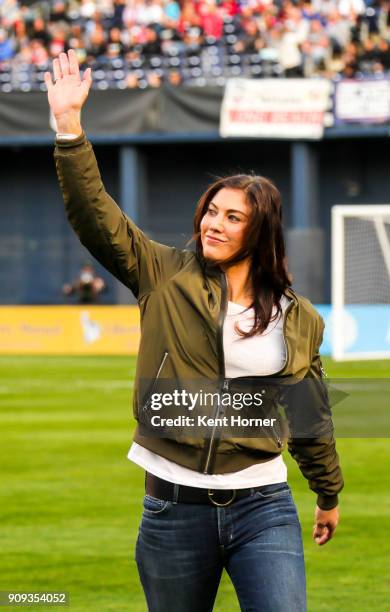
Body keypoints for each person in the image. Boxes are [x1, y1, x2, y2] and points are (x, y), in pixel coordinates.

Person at [45, 50, 343, 612]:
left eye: (233, 217)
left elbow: (310, 415)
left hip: (265, 504)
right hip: (172, 509)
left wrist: (327, 492)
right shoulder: (161, 272)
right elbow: (96, 217)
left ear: (261, 233)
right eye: (212, 210)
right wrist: (69, 130)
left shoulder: (298, 315)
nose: (213, 223)